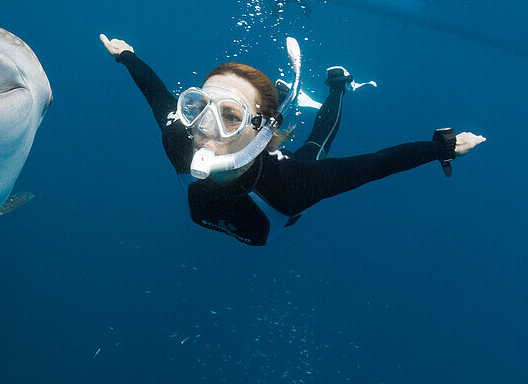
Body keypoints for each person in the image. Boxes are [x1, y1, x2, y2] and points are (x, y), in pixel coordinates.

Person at [99, 34, 486, 246]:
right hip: (260, 136)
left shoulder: (296, 185)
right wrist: (127, 56)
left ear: (261, 129)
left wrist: (442, 148)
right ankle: (269, 102)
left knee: (316, 144)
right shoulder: (181, 144)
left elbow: (376, 165)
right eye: (199, 106)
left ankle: (337, 86)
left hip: (279, 164)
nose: (204, 125)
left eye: (229, 115)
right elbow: (159, 97)